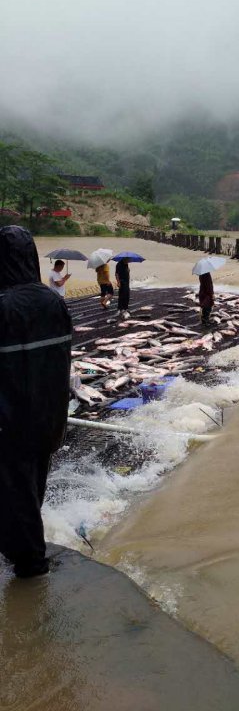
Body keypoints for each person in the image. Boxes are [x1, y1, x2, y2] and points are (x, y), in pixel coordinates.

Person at [0, 226, 72, 578]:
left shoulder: (4, 305)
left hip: (11, 420)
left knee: (14, 490)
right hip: (50, 417)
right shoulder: (54, 302)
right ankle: (26, 552)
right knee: (32, 487)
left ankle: (30, 564)